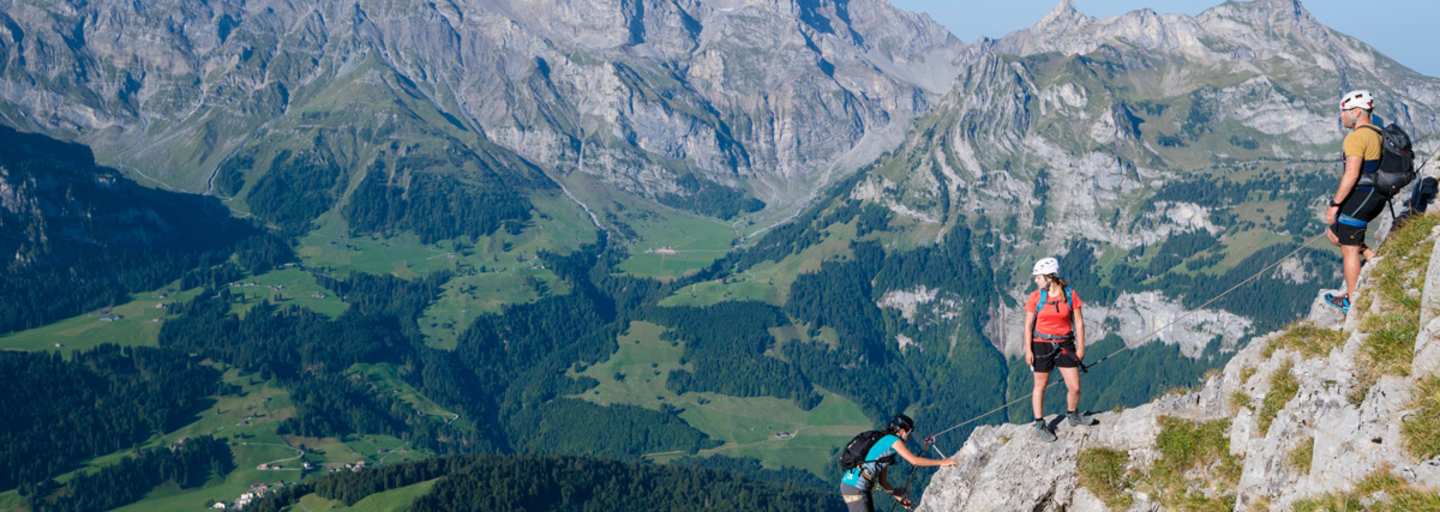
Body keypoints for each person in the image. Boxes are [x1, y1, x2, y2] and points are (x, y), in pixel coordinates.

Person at [1323, 90, 1385, 314]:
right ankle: (1372, 258)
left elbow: (1351, 174)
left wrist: (1334, 204)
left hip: (1360, 196)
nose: (1341, 116)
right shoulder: (1376, 132)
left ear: (1357, 112)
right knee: (1337, 234)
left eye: (1344, 112)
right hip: (1373, 196)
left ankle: (1351, 302)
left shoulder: (1356, 137)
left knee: (1348, 249)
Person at [1023, 257, 1095, 443]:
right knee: (1040, 385)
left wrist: (1081, 347)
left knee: (1075, 387)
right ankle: (1039, 424)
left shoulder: (1070, 295)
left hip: (1065, 344)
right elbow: (1028, 325)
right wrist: (1028, 350)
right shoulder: (1036, 297)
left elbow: (1078, 322)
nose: (1035, 280)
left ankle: (1073, 415)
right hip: (1041, 344)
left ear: (1049, 277)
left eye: (1038, 277)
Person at [839, 414, 956, 511]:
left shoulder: (885, 445)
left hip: (851, 486)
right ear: (901, 431)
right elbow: (914, 460)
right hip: (856, 487)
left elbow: (883, 482)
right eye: (908, 433)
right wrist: (943, 462)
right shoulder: (893, 440)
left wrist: (899, 498)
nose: (909, 437)